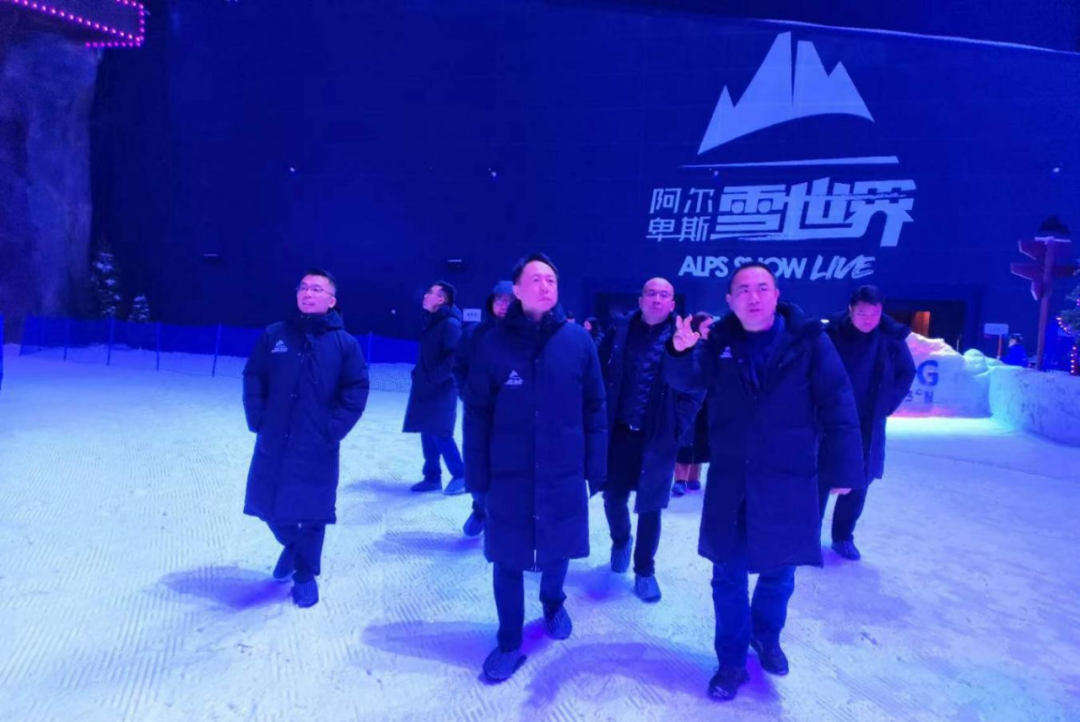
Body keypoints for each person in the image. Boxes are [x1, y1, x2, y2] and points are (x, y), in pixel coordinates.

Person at [665, 262, 862, 701]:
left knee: (780, 570)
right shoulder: (718, 342)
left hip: (789, 479)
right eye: (743, 290)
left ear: (776, 294)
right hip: (732, 480)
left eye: (762, 288)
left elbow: (839, 402)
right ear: (730, 300)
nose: (753, 297)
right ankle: (731, 662)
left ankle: (766, 635)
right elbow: (686, 379)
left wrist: (847, 469)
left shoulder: (810, 340)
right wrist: (678, 351)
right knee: (728, 574)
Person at [463, 253, 607, 682]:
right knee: (507, 558)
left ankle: (553, 601)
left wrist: (596, 466)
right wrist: (477, 477)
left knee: (559, 546)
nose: (546, 286)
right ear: (517, 290)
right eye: (536, 280)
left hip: (564, 470)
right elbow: (476, 414)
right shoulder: (492, 343)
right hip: (508, 472)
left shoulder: (578, 342)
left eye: (551, 280)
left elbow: (595, 407)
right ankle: (509, 640)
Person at [242, 268, 370, 608]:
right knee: (268, 504)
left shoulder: (345, 345)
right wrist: (258, 418)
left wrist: (334, 428)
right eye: (303, 287)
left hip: (317, 442)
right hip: (275, 438)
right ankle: (293, 545)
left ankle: (304, 573)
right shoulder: (275, 334)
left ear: (332, 301)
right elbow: (253, 375)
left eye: (316, 289)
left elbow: (356, 389)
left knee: (313, 511)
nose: (307, 293)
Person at [598, 278, 701, 602]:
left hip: (657, 437)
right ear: (640, 299)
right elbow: (597, 373)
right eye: (651, 293)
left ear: (672, 304)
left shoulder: (683, 339)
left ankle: (645, 570)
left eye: (664, 295)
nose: (657, 299)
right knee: (613, 497)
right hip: (618, 432)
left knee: (651, 506)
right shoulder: (619, 331)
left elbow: (696, 389)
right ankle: (620, 541)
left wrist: (676, 425)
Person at [819, 286, 917, 561]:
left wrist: (887, 404)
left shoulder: (891, 337)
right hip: (830, 419)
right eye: (862, 313)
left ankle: (843, 537)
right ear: (851, 310)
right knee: (821, 475)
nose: (868, 319)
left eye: (874, 314)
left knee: (859, 478)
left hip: (867, 420)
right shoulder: (830, 334)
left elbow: (907, 371)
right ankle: (808, 536)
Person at [453, 280, 513, 536]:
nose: (503, 304)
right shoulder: (473, 333)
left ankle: (505, 520)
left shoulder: (527, 336)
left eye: (509, 300)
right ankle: (480, 509)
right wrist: (467, 394)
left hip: (515, 417)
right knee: (478, 469)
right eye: (499, 299)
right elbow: (458, 367)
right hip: (479, 415)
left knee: (510, 471)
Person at [403, 281, 465, 494]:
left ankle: (461, 475)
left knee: (440, 431)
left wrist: (435, 377)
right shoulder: (432, 322)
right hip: (427, 387)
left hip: (442, 389)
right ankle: (432, 477)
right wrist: (419, 374)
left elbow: (454, 357)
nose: (425, 295)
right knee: (427, 430)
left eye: (430, 292)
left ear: (441, 299)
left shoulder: (450, 324)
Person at [672, 313, 714, 498]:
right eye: (707, 326)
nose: (711, 330)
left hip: (708, 400)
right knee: (685, 440)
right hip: (689, 399)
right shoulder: (688, 345)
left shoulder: (714, 347)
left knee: (701, 439)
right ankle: (679, 480)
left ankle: (693, 477)